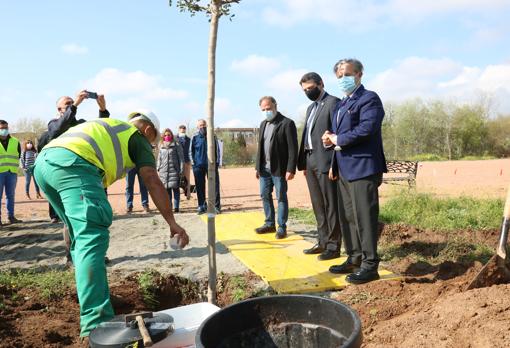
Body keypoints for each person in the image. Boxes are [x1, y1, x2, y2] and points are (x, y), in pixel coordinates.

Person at [33, 109, 189, 341]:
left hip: (44, 166)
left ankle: (95, 297)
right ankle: (95, 324)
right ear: (147, 130)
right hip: (74, 165)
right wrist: (172, 223)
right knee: (92, 235)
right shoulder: (136, 136)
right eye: (152, 140)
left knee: (79, 238)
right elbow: (152, 179)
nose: (150, 147)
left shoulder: (111, 127)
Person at [322, 58, 387, 284]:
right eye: (339, 76)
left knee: (364, 217)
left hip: (362, 167)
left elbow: (367, 129)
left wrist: (338, 138)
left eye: (347, 75)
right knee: (348, 217)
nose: (343, 79)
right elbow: (338, 138)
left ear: (359, 74)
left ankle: (370, 265)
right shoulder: (341, 104)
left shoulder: (369, 98)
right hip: (344, 169)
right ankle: (354, 257)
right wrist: (330, 143)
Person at [38, 90, 111, 224]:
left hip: (80, 168)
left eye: (72, 102)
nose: (72, 104)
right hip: (60, 169)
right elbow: (57, 129)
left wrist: (102, 108)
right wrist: (76, 104)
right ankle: (56, 216)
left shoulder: (81, 124)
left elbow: (100, 130)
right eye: (68, 104)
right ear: (59, 109)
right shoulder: (53, 124)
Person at [297, 72, 342, 260]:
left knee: (330, 204)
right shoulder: (310, 108)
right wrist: (304, 162)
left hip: (326, 160)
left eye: (310, 88)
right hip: (310, 159)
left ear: (321, 84)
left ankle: (333, 245)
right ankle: (322, 241)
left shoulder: (333, 103)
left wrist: (335, 164)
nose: (308, 92)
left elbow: (338, 134)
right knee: (318, 204)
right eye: (305, 90)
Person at [255, 96, 298, 239]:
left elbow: (293, 148)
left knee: (281, 197)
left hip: (279, 169)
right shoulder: (263, 124)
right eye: (263, 109)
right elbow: (260, 147)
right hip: (264, 169)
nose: (266, 111)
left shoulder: (287, 123)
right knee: (264, 195)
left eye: (269, 109)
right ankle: (269, 224)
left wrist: (291, 169)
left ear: (275, 106)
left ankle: (281, 227)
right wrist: (257, 167)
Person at [190, 119, 221, 215]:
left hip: (211, 165)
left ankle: (216, 206)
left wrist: (216, 162)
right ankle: (202, 206)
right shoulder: (194, 137)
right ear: (197, 127)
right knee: (199, 186)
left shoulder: (212, 136)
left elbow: (217, 150)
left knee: (214, 186)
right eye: (200, 125)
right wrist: (193, 163)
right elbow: (190, 151)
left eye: (203, 125)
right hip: (198, 166)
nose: (202, 127)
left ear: (207, 125)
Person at [0, 120, 21, 225]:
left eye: (6, 128)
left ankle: (11, 216)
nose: (4, 130)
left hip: (12, 172)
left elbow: (19, 155)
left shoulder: (15, 141)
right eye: (2, 128)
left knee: (11, 195)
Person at [158, 128, 184, 212]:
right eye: (165, 135)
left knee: (176, 190)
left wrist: (181, 169)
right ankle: (169, 207)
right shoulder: (161, 145)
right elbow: (159, 158)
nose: (167, 136)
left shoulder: (176, 144)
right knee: (167, 191)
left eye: (168, 135)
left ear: (171, 135)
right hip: (163, 172)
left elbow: (181, 158)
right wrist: (158, 168)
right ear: (163, 136)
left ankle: (176, 207)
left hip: (175, 171)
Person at [177, 125, 192, 199]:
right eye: (181, 129)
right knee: (177, 178)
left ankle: (188, 194)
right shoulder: (175, 139)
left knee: (187, 178)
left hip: (186, 161)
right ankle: (177, 196)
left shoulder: (189, 139)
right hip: (177, 162)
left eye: (184, 129)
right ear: (179, 130)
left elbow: (190, 150)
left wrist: (190, 160)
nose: (183, 130)